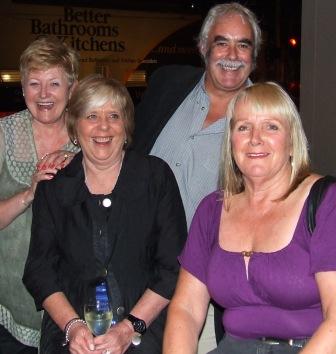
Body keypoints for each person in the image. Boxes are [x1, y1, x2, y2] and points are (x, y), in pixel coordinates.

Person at [163, 81, 336, 354]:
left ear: (292, 141)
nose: (255, 138)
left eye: (271, 126)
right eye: (243, 127)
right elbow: (186, 309)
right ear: (231, 141)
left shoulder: (326, 202)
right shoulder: (212, 209)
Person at [22, 74, 187, 354]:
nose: (103, 127)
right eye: (91, 116)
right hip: (71, 339)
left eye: (114, 115)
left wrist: (129, 327)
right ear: (75, 127)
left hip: (144, 333)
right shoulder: (54, 187)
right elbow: (40, 271)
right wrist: (73, 326)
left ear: (126, 126)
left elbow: (174, 266)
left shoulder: (155, 177)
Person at [133, 3, 262, 351]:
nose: (232, 55)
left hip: (202, 290)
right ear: (204, 47)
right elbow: (121, 146)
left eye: (244, 44)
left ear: (254, 54)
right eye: (222, 43)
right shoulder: (166, 84)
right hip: (133, 272)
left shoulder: (265, 119)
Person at [0, 36, 80, 352]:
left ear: (72, 90)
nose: (44, 94)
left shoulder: (88, 138)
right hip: (7, 310)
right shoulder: (3, 135)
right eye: (34, 83)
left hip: (70, 310)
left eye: (54, 84)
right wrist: (30, 193)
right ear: (22, 89)